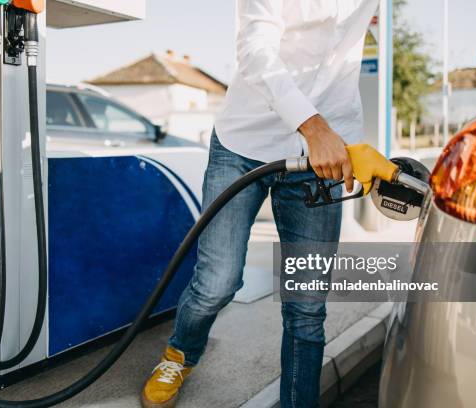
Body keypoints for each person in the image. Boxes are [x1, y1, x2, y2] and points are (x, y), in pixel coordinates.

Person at [141, 1, 378, 407]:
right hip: (243, 145)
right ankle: (181, 353)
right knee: (218, 282)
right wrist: (312, 125)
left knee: (307, 306)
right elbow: (255, 50)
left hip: (322, 157)